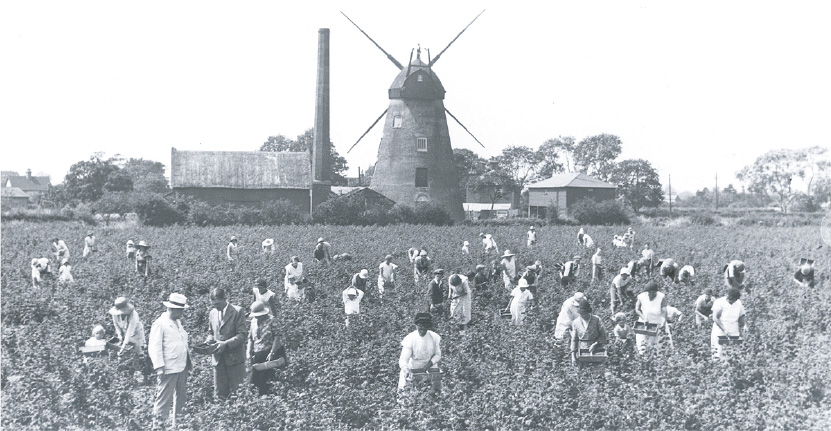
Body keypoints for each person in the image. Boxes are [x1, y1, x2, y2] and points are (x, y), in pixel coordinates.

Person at [149, 293, 191, 429]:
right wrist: (159, 367)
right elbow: (154, 347)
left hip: (181, 366)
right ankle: (158, 426)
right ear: (172, 309)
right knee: (163, 400)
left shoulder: (177, 322)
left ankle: (178, 425)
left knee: (181, 397)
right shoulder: (160, 324)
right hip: (168, 367)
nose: (182, 313)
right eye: (180, 310)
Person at [206, 288, 247, 399]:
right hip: (218, 360)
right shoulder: (212, 313)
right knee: (219, 393)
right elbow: (210, 331)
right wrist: (209, 339)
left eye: (218, 304)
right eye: (213, 305)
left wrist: (226, 343)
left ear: (225, 299)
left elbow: (242, 335)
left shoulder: (237, 311)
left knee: (239, 392)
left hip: (234, 359)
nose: (216, 307)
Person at [247, 301, 285, 396]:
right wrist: (248, 353)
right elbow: (251, 339)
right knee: (256, 380)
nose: (257, 317)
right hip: (258, 353)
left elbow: (277, 337)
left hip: (271, 352)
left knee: (271, 378)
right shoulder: (253, 322)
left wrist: (272, 352)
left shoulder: (272, 320)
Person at [398, 313, 442, 392]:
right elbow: (403, 360)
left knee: (433, 392)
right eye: (420, 327)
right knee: (409, 393)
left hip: (429, 367)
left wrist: (430, 363)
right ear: (416, 326)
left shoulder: (434, 337)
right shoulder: (411, 338)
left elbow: (437, 355)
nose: (422, 330)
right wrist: (406, 369)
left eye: (425, 328)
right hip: (414, 368)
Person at [110, 297, 147, 367]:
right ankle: (123, 366)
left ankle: (142, 366)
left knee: (138, 350)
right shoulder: (114, 314)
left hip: (136, 332)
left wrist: (123, 347)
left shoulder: (134, 315)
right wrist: (120, 336)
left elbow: (129, 333)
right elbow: (116, 324)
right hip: (125, 332)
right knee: (123, 353)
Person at [711, 288, 747, 360]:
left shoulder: (738, 303)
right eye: (730, 299)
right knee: (718, 352)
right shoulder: (719, 302)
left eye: (733, 299)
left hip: (733, 330)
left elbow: (741, 316)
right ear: (727, 296)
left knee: (734, 353)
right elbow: (715, 318)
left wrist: (744, 325)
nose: (731, 301)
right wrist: (724, 329)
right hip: (719, 331)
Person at [570, 300, 608, 366]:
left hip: (597, 350)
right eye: (581, 314)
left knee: (597, 369)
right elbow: (574, 340)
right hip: (582, 351)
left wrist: (596, 344)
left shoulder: (597, 320)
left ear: (588, 312)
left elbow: (604, 335)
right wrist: (573, 356)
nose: (583, 315)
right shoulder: (576, 322)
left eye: (584, 313)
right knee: (584, 370)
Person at [634, 281, 667, 355]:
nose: (651, 294)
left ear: (656, 291)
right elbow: (637, 309)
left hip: (657, 323)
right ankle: (643, 359)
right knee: (642, 345)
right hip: (644, 323)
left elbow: (664, 310)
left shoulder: (661, 297)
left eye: (653, 292)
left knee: (658, 347)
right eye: (649, 292)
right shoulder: (641, 297)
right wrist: (644, 318)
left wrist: (664, 321)